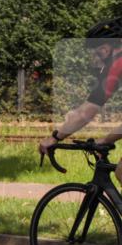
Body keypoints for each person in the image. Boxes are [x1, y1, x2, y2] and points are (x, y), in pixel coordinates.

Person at [39, 17, 122, 183]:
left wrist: (55, 137)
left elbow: (86, 112)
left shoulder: (117, 64)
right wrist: (107, 140)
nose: (96, 59)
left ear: (106, 49)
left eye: (96, 53)